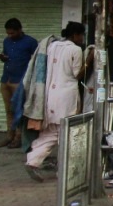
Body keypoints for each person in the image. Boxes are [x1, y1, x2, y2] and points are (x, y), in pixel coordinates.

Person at [24, 21, 86, 182]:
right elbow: (77, 74)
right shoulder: (75, 49)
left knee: (49, 133)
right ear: (75, 35)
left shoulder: (51, 46)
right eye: (81, 35)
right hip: (66, 97)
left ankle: (32, 161)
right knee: (66, 134)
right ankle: (65, 171)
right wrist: (90, 60)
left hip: (49, 96)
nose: (82, 39)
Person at [0, 18, 38, 148]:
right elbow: (6, 54)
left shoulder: (30, 42)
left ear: (20, 30)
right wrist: (3, 58)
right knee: (8, 110)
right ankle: (9, 135)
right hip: (6, 79)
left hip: (20, 81)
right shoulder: (7, 41)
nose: (10, 36)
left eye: (12, 33)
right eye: (8, 33)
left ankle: (18, 138)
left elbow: (36, 61)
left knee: (19, 110)